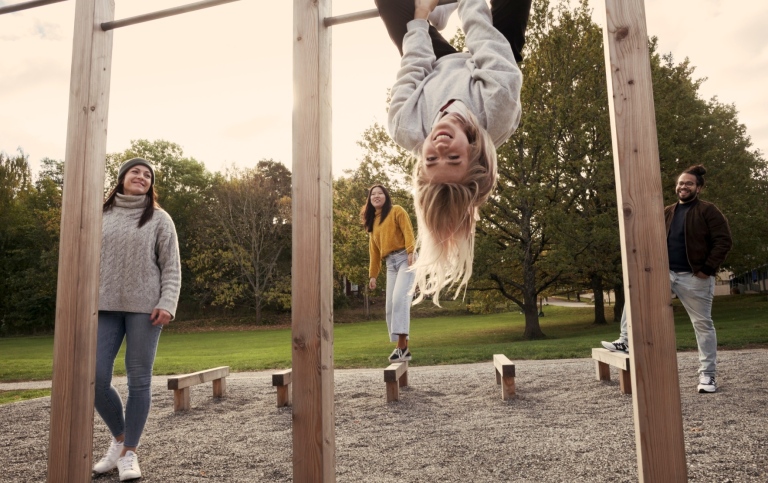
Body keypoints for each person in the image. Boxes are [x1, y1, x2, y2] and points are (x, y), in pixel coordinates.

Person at [376, 0, 531, 304]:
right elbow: (482, 36)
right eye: (454, 158)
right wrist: (467, 1)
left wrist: (421, 19)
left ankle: (435, 14)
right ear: (474, 152)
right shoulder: (499, 107)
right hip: (492, 64)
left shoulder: (405, 126)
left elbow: (412, 68)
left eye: (432, 158)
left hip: (437, 66)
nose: (440, 147)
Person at [601, 165, 732, 394]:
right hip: (665, 274)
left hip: (694, 278)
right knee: (635, 295)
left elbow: (723, 241)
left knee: (702, 325)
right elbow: (652, 237)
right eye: (681, 183)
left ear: (699, 188)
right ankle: (625, 340)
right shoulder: (668, 211)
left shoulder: (708, 211)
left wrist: (707, 269)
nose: (683, 186)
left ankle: (708, 376)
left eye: (689, 183)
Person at [92, 158, 182, 480]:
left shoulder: (160, 219)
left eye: (147, 175)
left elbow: (171, 266)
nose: (141, 177)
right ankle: (119, 441)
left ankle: (130, 453)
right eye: (135, 172)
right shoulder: (100, 215)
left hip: (146, 308)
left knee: (139, 380)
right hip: (103, 307)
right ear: (121, 179)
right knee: (96, 377)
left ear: (151, 184)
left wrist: (167, 302)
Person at [361, 185, 417, 363]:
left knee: (400, 300)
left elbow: (408, 231)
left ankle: (401, 348)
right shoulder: (372, 223)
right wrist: (373, 275)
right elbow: (374, 251)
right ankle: (403, 347)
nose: (376, 196)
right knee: (390, 306)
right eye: (373, 194)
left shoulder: (396, 211)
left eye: (380, 193)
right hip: (390, 265)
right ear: (370, 200)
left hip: (405, 259)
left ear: (386, 196)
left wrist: (411, 251)